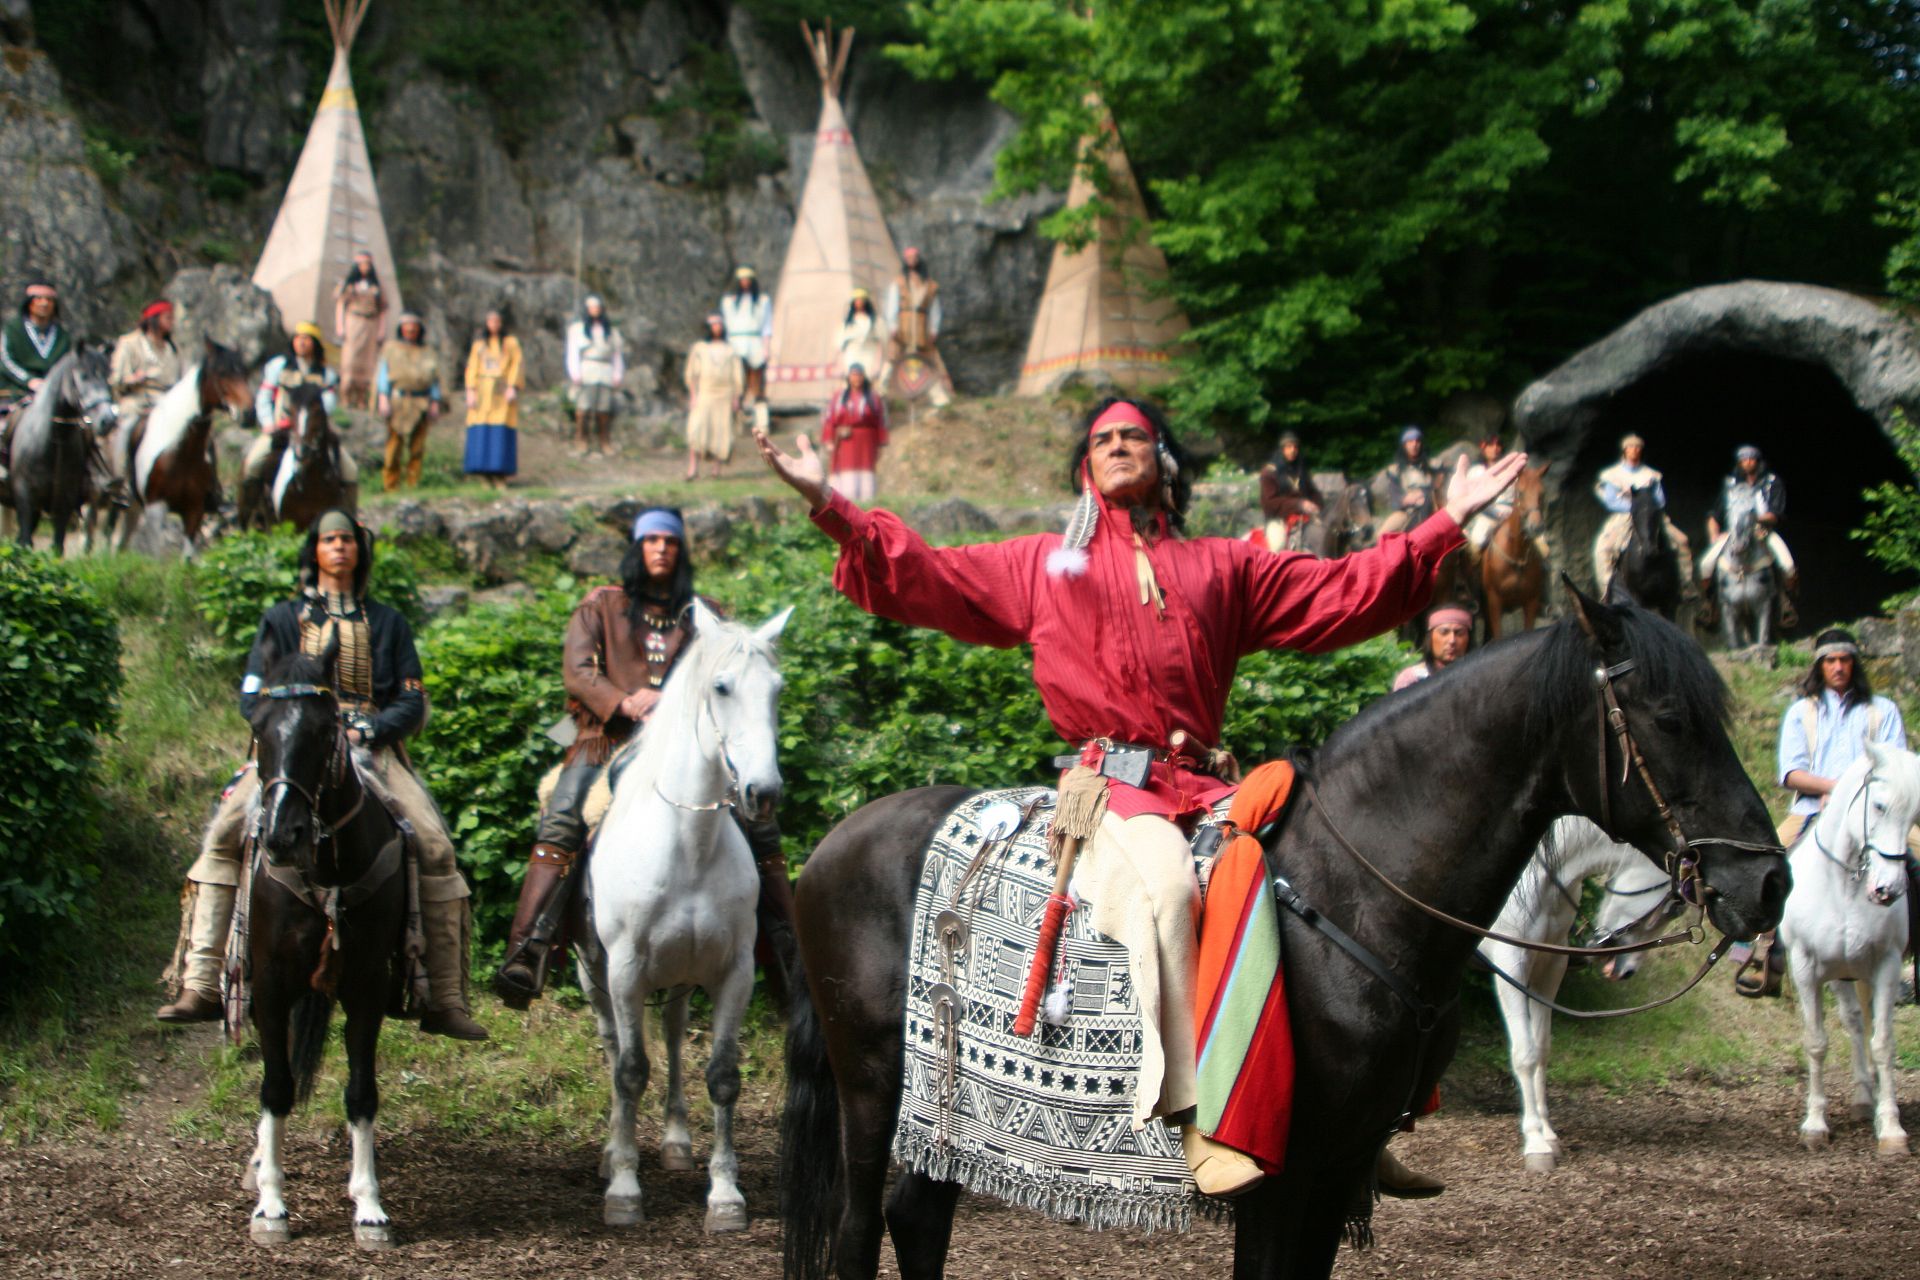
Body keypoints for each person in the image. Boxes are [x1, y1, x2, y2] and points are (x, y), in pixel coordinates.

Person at [755, 396, 1525, 1197]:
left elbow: (1344, 588)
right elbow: (925, 574)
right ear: (1085, 469)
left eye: (1135, 437)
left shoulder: (1226, 566)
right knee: (1164, 886)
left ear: (1165, 461)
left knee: (1299, 889)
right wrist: (829, 503)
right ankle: (1204, 1120)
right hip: (1109, 791)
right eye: (1103, 440)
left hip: (1207, 786)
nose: (1120, 446)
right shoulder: (1042, 564)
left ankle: (1347, 1122)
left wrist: (1444, 522)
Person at [157, 510, 489, 1040]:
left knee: (433, 844)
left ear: (360, 550)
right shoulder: (281, 619)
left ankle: (442, 996)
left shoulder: (388, 622)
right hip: (293, 751)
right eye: (329, 540)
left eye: (348, 540)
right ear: (314, 549)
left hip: (369, 749)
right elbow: (251, 694)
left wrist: (370, 730)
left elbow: (411, 697)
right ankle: (201, 983)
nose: (339, 548)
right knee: (222, 833)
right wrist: (290, 726)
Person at [492, 508, 796, 1009]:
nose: (661, 549)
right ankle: (527, 951)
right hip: (605, 739)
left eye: (670, 541)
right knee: (566, 814)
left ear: (680, 551)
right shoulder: (600, 606)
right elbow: (579, 672)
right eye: (651, 540)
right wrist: (627, 701)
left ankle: (789, 959)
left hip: (686, 751)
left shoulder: (706, 613)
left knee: (761, 826)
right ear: (637, 548)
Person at [1733, 629, 1911, 997]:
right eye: (1830, 660)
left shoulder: (1883, 710)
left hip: (1878, 814)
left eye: (1845, 660)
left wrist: (1853, 797)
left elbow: (1894, 768)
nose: (1839, 667)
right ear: (1820, 665)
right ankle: (1765, 957)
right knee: (1766, 867)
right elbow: (1790, 773)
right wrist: (1835, 790)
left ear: (1854, 664)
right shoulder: (1802, 712)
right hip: (1813, 808)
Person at [243, 323, 349, 522]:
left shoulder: (327, 374)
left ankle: (348, 517)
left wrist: (312, 422)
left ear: (315, 344)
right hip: (281, 428)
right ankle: (248, 515)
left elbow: (328, 404)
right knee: (252, 465)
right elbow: (265, 396)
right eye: (298, 337)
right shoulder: (279, 366)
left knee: (350, 471)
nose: (301, 341)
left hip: (313, 431)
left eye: (307, 338)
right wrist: (267, 422)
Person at [1697, 444, 1797, 624]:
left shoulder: (1772, 482)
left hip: (1762, 531)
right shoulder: (1731, 484)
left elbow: (1775, 514)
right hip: (1734, 533)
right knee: (1706, 564)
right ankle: (1709, 604)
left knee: (1788, 564)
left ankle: (1786, 604)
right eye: (1743, 460)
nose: (1747, 463)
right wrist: (1714, 535)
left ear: (1758, 462)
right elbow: (1714, 515)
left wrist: (1753, 518)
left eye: (1751, 459)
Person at [1591, 433, 1693, 595]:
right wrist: (1634, 507)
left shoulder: (1651, 475)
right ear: (1625, 450)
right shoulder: (1612, 475)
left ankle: (1685, 585)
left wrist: (1648, 509)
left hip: (1652, 516)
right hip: (1625, 516)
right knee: (1604, 548)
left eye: (1638, 448)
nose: (1634, 450)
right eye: (1631, 447)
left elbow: (1660, 499)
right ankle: (1609, 591)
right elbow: (1610, 500)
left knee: (1682, 541)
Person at [105, 299, 183, 498]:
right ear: (154, 319)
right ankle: (119, 477)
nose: (172, 322)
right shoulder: (129, 343)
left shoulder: (172, 348)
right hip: (137, 398)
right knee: (127, 426)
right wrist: (135, 379)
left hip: (166, 401)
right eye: (168, 318)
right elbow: (116, 380)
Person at [374, 312, 442, 492]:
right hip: (398, 400)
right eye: (407, 326)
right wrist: (383, 398)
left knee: (418, 447)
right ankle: (391, 485)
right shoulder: (391, 348)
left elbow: (434, 378)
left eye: (414, 326)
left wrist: (435, 402)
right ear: (401, 328)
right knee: (394, 445)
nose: (411, 329)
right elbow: (383, 375)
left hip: (421, 401)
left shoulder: (427, 352)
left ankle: (413, 483)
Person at [883, 246, 953, 407]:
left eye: (914, 258)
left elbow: (934, 309)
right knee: (893, 357)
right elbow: (892, 305)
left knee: (927, 360)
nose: (911, 261)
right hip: (903, 325)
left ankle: (938, 397)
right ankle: (881, 390)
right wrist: (892, 325)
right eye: (908, 258)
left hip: (921, 327)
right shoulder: (899, 282)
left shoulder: (929, 285)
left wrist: (934, 328)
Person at [463, 308, 523, 490]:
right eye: (490, 321)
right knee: (481, 430)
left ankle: (501, 475)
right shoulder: (479, 345)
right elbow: (472, 367)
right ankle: (483, 474)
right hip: (483, 390)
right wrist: (470, 390)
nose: (494, 325)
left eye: (497, 321)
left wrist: (512, 386)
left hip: (501, 390)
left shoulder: (510, 343)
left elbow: (517, 364)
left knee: (501, 431)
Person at [564, 295, 626, 458]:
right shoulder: (578, 329)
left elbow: (617, 355)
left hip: (605, 370)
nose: (595, 310)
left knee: (603, 410)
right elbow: (572, 353)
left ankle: (604, 442)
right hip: (587, 370)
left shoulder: (611, 331)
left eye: (597, 307)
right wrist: (575, 373)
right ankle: (582, 441)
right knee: (583, 409)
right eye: (591, 308)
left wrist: (617, 374)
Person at [684, 314, 743, 480]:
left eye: (719, 325)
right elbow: (692, 373)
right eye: (713, 325)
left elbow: (737, 375)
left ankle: (716, 469)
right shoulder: (700, 348)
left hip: (724, 394)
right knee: (696, 429)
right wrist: (693, 394)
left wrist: (736, 397)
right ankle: (693, 468)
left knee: (721, 431)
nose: (717, 328)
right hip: (705, 392)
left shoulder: (730, 349)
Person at [822, 363, 888, 504]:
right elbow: (829, 419)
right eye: (853, 375)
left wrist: (881, 443)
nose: (856, 378)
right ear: (849, 377)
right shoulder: (839, 397)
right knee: (847, 473)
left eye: (859, 375)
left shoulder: (873, 398)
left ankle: (866, 501)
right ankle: (847, 502)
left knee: (866, 472)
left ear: (863, 377)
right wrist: (829, 440)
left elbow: (880, 421)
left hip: (866, 441)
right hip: (846, 441)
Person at [333, 250, 388, 410]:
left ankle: (362, 397)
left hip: (370, 324)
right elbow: (340, 304)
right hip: (353, 321)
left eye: (368, 265)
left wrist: (381, 330)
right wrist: (340, 326)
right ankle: (346, 395)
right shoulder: (349, 285)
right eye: (362, 264)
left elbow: (383, 309)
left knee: (368, 361)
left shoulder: (376, 287)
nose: (365, 268)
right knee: (350, 358)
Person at [1, 281, 69, 405]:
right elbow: (6, 361)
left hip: (53, 393)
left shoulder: (62, 334)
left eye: (49, 299)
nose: (44, 303)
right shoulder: (13, 329)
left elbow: (67, 364)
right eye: (38, 299)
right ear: (29, 303)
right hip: (16, 392)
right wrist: (29, 380)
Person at [720, 266, 772, 428]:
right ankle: (736, 422)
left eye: (748, 279)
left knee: (757, 382)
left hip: (754, 341)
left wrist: (766, 347)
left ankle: (762, 421)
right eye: (742, 280)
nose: (745, 283)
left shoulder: (762, 301)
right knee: (736, 384)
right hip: (736, 343)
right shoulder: (729, 302)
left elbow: (767, 326)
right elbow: (726, 326)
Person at [1256, 430, 1321, 551]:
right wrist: (1299, 504)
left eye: (1295, 447)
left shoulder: (1300, 469)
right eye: (1289, 447)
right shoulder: (1269, 473)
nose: (1293, 450)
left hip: (1303, 517)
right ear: (1282, 449)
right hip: (1279, 519)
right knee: (1278, 546)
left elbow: (1313, 492)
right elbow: (1270, 503)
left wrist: (1317, 506)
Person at [1374, 426, 1444, 537]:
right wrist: (1406, 500)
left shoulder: (1434, 465)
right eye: (1410, 442)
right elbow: (1394, 498)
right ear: (1404, 445)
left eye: (1417, 441)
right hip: (1407, 511)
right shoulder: (1395, 470)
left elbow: (1440, 484)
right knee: (1381, 535)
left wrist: (1425, 493)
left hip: (1433, 507)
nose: (1414, 444)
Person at [1392, 606, 1473, 690]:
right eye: (1444, 632)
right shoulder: (1412, 679)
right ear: (1430, 638)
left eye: (1459, 633)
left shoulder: (1475, 676)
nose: (1452, 640)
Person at [836, 288, 887, 382]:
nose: (859, 302)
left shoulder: (876, 322)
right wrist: (841, 367)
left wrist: (877, 365)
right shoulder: (846, 324)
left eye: (861, 300)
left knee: (870, 384)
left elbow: (881, 345)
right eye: (857, 300)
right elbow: (839, 347)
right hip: (851, 356)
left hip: (870, 356)